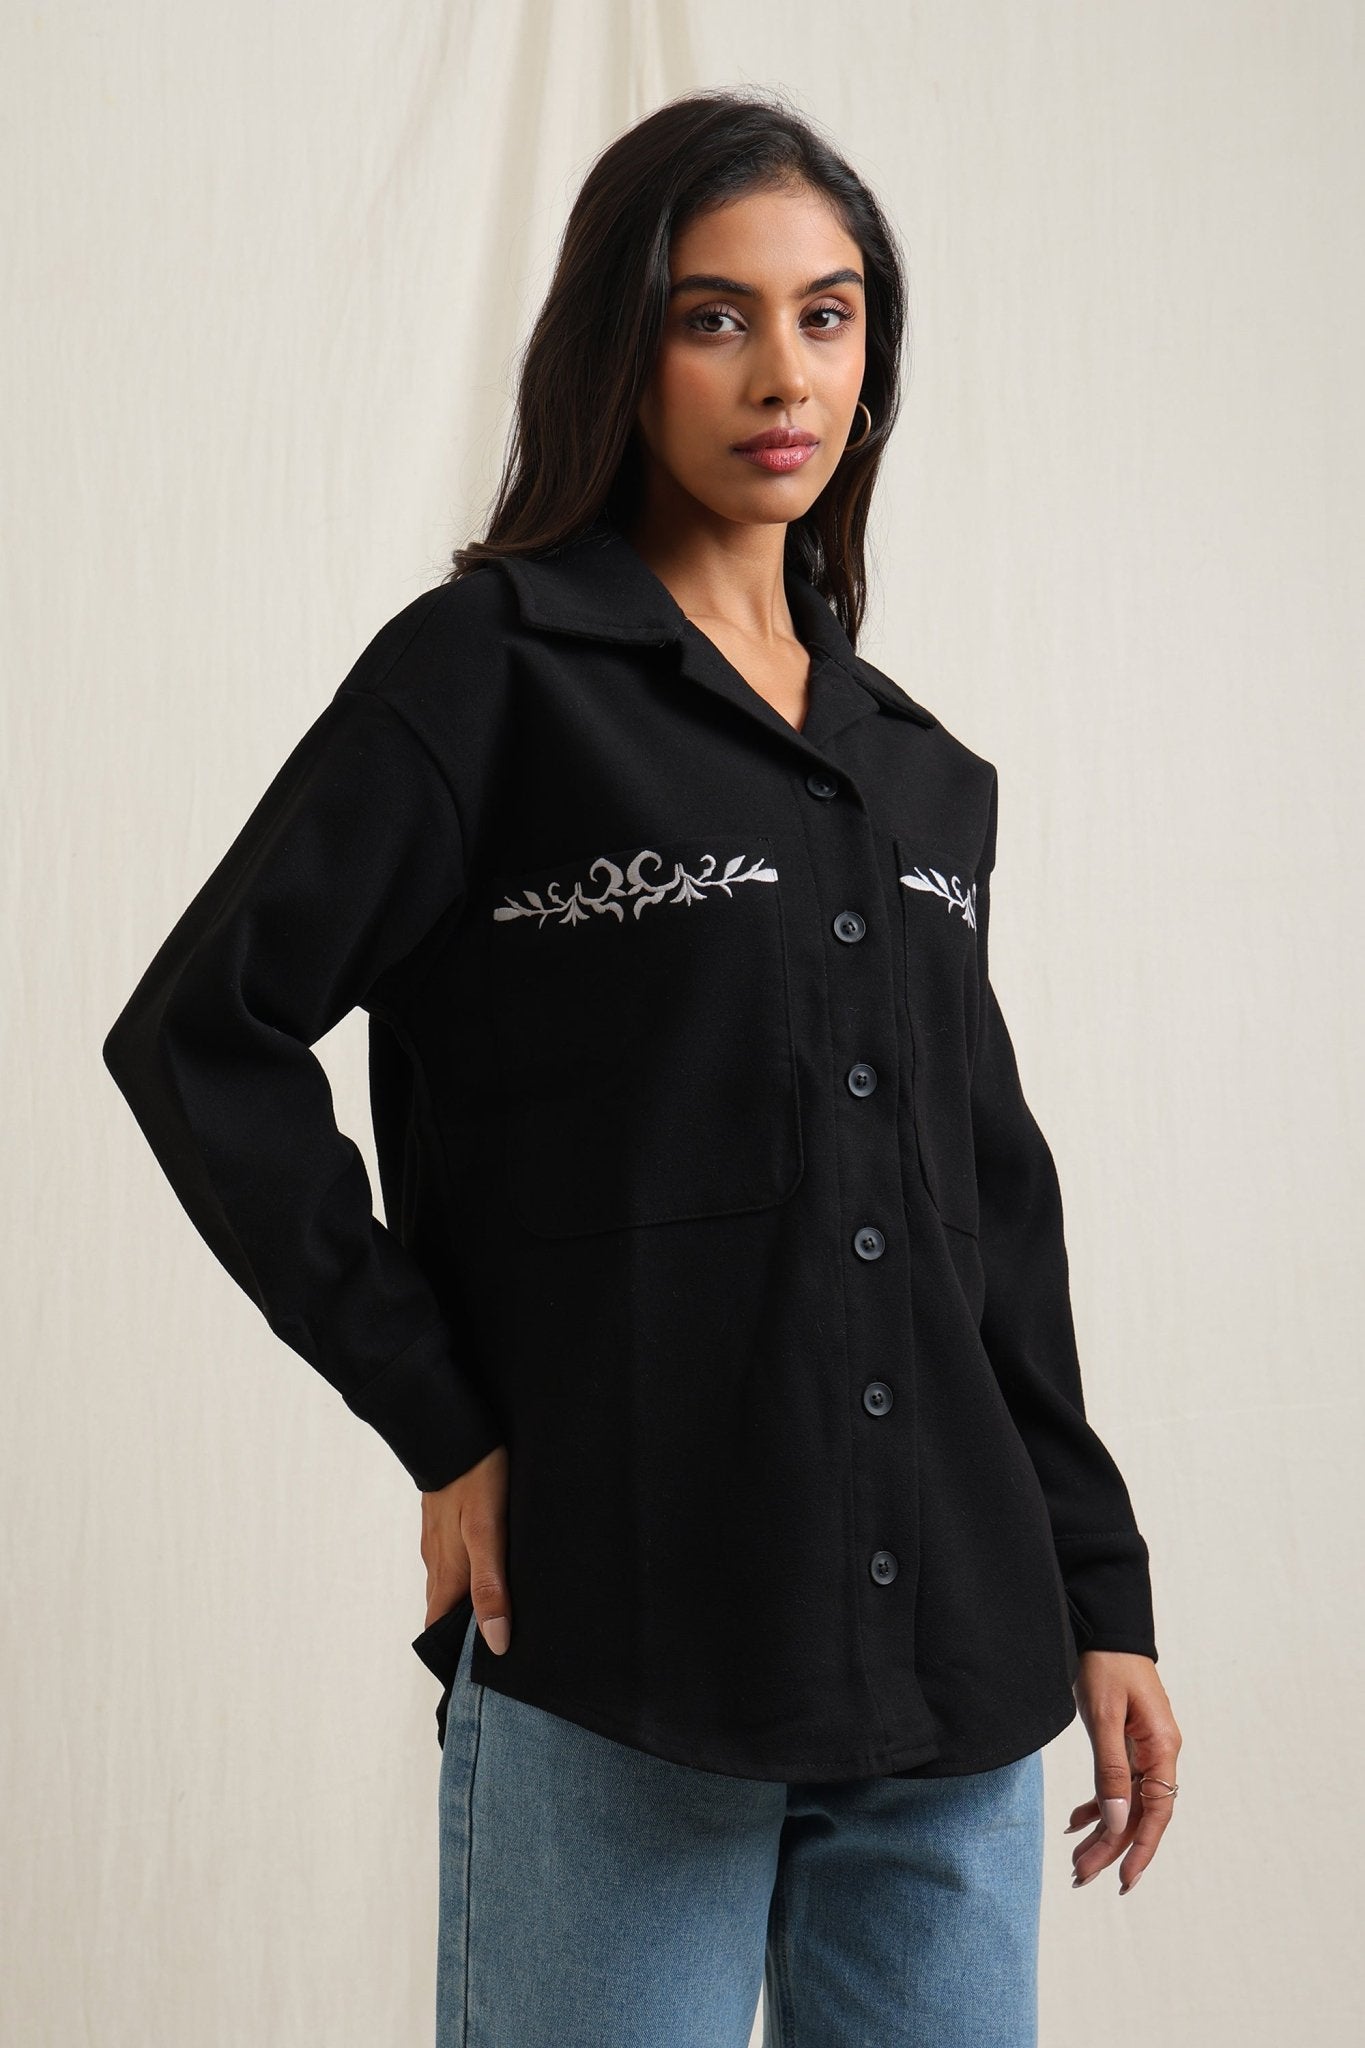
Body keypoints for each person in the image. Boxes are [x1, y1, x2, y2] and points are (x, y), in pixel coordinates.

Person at [102, 86, 1181, 2048]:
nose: (784, 374)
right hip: (624, 1646)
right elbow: (203, 1037)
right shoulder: (485, 677)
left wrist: (1099, 1592)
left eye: (827, 315)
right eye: (714, 317)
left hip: (954, 1672)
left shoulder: (915, 770)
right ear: (623, 343)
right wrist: (437, 1416)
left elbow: (987, 1216)